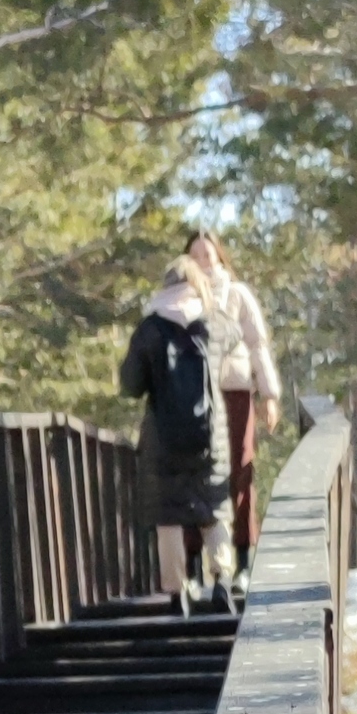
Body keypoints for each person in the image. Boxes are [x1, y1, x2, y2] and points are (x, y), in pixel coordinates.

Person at [118, 252, 232, 608]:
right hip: (209, 437)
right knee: (213, 509)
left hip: (162, 440)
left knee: (168, 515)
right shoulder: (214, 322)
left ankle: (176, 590)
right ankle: (222, 580)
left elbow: (131, 386)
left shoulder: (149, 329)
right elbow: (236, 339)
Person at [185, 231, 281, 584]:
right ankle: (194, 567)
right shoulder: (181, 297)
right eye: (195, 255)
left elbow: (258, 345)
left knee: (241, 470)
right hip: (195, 395)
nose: (203, 261)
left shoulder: (238, 295)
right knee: (193, 476)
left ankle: (244, 560)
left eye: (207, 254)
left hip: (237, 391)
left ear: (219, 257)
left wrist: (269, 394)